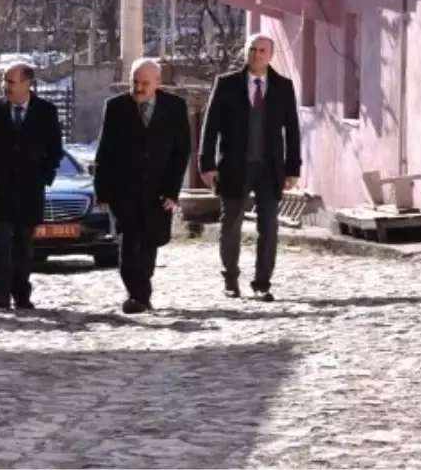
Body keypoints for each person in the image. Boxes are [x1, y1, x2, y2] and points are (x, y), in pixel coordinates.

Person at [199, 33, 301, 302]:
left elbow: (292, 131)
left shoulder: (283, 87)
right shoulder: (227, 84)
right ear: (246, 52)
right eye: (253, 50)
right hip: (234, 166)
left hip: (269, 169)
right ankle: (230, 278)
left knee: (269, 227)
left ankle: (262, 282)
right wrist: (206, 164)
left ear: (271, 55)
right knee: (230, 225)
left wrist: (292, 169)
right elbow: (210, 127)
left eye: (263, 51)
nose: (257, 55)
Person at [93, 58, 190, 314]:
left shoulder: (175, 107)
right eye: (135, 82)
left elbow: (181, 153)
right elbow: (105, 151)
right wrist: (102, 191)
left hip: (158, 191)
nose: (138, 88)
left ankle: (141, 291)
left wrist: (172, 192)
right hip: (123, 189)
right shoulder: (116, 107)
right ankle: (137, 295)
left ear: (157, 83)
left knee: (149, 242)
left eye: (144, 83)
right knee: (128, 241)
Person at [0, 62, 63, 310]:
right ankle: (0, 294)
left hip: (29, 190)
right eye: (5, 81)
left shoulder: (45, 111)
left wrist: (44, 176)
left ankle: (21, 294)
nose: (6, 87)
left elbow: (55, 149)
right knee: (0, 242)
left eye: (11, 82)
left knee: (23, 244)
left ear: (27, 83)